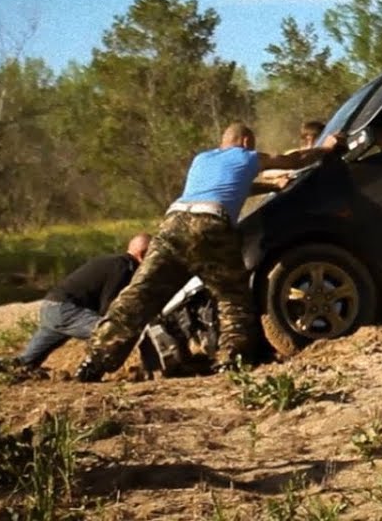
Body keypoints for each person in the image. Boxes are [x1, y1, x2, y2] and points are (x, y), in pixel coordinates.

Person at [74, 122, 344, 382]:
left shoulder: (202, 160)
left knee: (139, 295)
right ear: (246, 141)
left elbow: (236, 186)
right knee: (232, 297)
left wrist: (272, 186)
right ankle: (231, 359)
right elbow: (294, 160)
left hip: (173, 224)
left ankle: (96, 360)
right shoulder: (246, 155)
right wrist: (326, 148)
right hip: (210, 226)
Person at [0, 233, 152, 372]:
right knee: (111, 333)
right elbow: (108, 309)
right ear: (143, 255)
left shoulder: (112, 261)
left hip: (51, 307)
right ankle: (88, 372)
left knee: (26, 363)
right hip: (66, 310)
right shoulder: (123, 268)